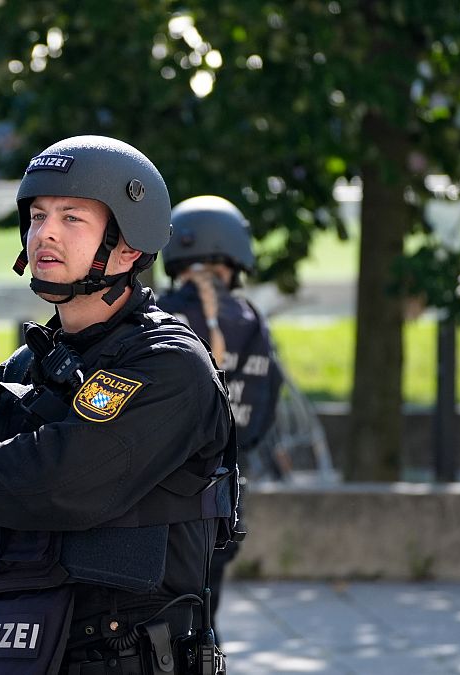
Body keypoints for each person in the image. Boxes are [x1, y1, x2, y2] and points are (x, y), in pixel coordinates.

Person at [0, 136, 240, 674]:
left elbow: (70, 478)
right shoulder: (23, 372)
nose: (44, 233)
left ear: (128, 246)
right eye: (36, 216)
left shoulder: (168, 366)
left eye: (72, 218)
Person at [156, 195, 284, 637]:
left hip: (155, 507)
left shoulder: (155, 316)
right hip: (224, 502)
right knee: (203, 625)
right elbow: (265, 410)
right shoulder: (253, 321)